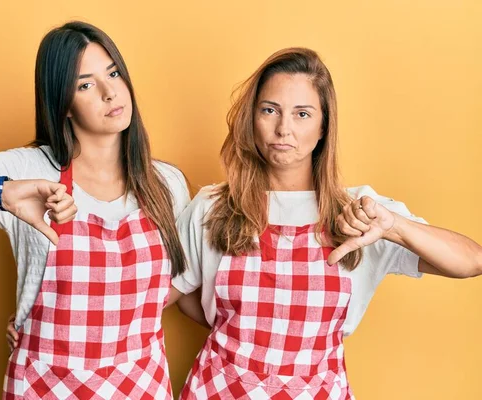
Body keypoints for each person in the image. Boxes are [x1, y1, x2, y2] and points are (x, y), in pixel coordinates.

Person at [0, 21, 193, 399]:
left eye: (113, 73)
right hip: (46, 387)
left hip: (140, 384)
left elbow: (170, 285)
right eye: (86, 84)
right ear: (62, 104)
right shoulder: (25, 171)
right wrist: (0, 195)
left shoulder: (168, 183)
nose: (111, 92)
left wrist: (95, 322)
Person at [168, 47, 482, 399]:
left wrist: (394, 226)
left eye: (302, 114)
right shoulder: (213, 206)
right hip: (219, 390)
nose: (283, 128)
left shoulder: (363, 213)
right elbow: (170, 295)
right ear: (251, 120)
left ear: (323, 127)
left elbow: (472, 261)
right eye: (270, 110)